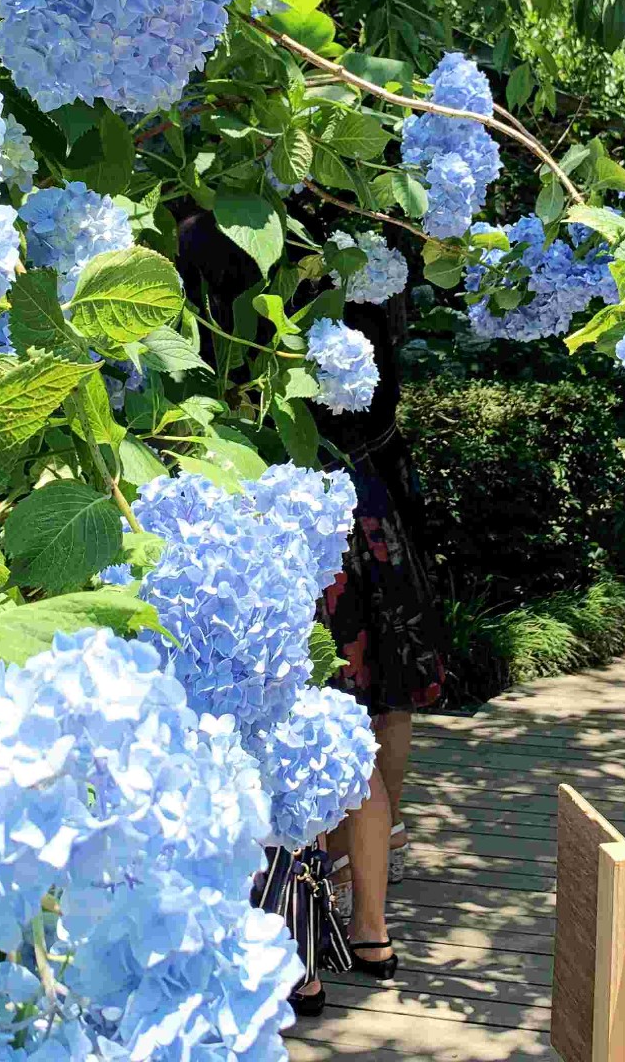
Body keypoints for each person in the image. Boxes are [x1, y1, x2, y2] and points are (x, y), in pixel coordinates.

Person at [177, 211, 444, 1003]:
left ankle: (297, 945)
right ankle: (370, 925)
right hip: (366, 503)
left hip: (273, 506)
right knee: (366, 715)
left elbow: (205, 380)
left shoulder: (202, 242)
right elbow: (386, 396)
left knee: (281, 724)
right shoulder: (352, 251)